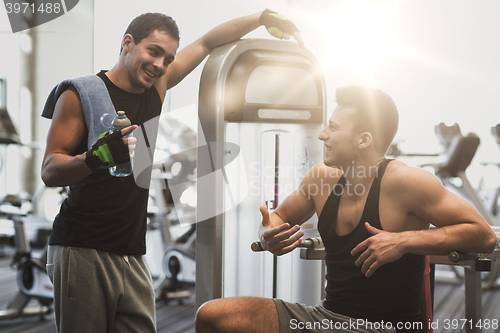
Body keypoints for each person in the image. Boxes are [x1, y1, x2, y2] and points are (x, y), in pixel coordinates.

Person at [40, 9, 303, 333]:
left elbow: (207, 42)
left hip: (132, 251)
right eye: (153, 52)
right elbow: (50, 169)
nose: (160, 65)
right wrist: (93, 159)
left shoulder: (156, 87)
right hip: (82, 248)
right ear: (127, 43)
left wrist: (262, 17)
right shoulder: (80, 94)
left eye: (168, 58)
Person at [194, 85, 497, 333]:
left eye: (333, 128)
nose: (323, 135)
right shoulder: (321, 178)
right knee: (213, 316)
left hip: (384, 327)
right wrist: (269, 232)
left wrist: (404, 241)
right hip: (325, 318)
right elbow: (279, 217)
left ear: (364, 139)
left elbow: (483, 235)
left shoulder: (406, 182)